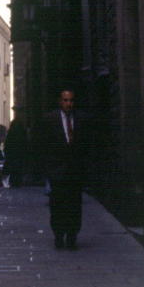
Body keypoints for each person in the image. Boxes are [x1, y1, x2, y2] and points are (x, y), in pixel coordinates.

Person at [39, 88, 88, 248]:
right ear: (60, 101)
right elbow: (42, 145)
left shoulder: (81, 119)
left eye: (71, 100)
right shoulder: (49, 120)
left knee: (75, 205)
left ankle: (72, 236)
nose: (68, 104)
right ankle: (59, 235)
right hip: (57, 171)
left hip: (75, 172)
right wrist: (48, 169)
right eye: (65, 100)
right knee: (58, 205)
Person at [3, 115, 28, 187]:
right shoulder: (19, 133)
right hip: (15, 153)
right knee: (15, 168)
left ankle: (16, 181)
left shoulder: (13, 133)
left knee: (16, 168)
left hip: (17, 153)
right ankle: (15, 181)